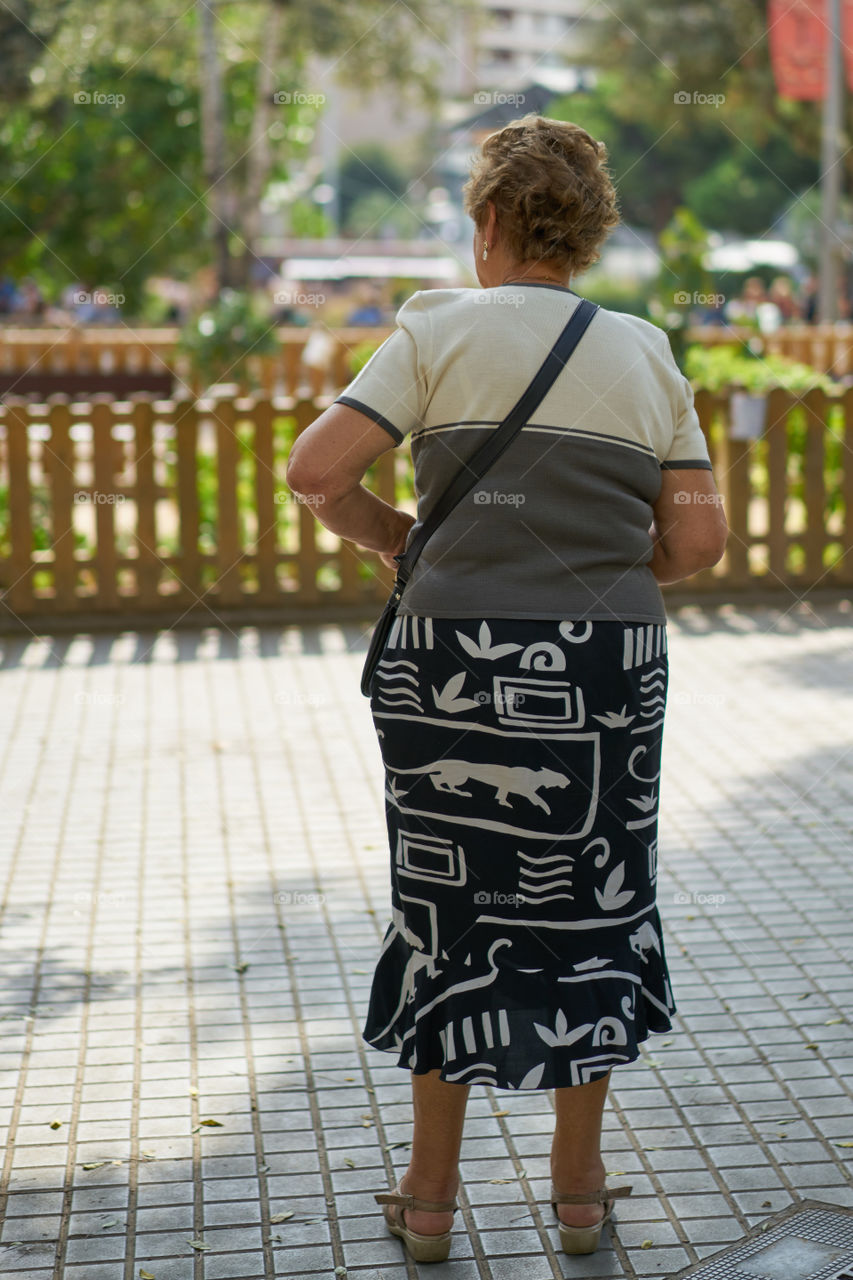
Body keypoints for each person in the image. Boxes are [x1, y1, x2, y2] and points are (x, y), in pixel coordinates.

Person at [286, 114, 728, 1263]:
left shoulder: (438, 329)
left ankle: (429, 1200)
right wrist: (615, 569)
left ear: (486, 223)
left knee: (450, 909)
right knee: (594, 897)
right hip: (606, 666)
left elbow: (316, 471)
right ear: (584, 236)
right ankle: (577, 1194)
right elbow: (699, 542)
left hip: (449, 659)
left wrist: (401, 539)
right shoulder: (643, 351)